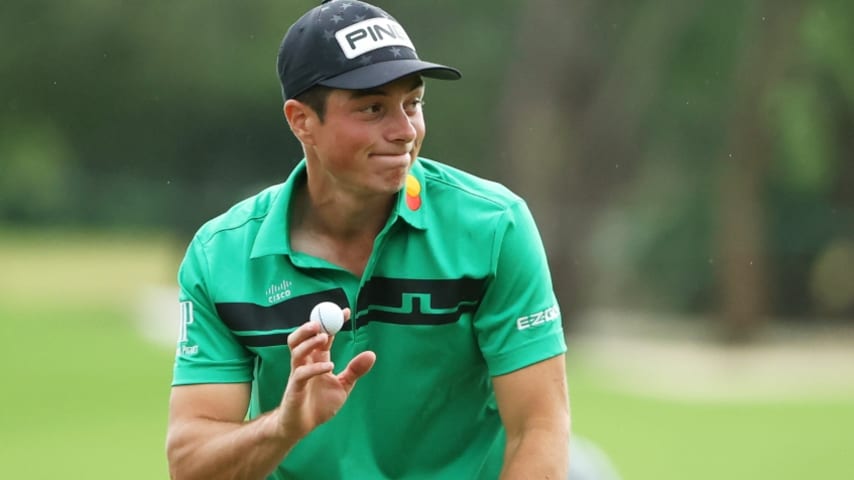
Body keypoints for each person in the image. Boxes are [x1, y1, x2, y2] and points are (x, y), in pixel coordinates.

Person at [165, 1, 570, 478]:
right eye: (373, 108)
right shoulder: (221, 257)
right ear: (301, 121)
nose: (404, 131)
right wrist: (285, 427)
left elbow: (538, 428)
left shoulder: (494, 226)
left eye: (413, 103)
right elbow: (191, 465)